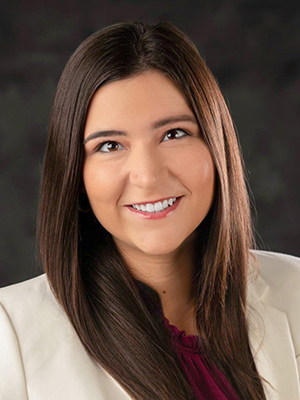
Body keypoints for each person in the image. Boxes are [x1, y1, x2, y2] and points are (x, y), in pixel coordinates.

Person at [0, 21, 299, 400]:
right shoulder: (10, 335)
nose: (146, 175)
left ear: (216, 145)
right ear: (76, 174)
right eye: (109, 145)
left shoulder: (297, 291)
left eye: (174, 134)